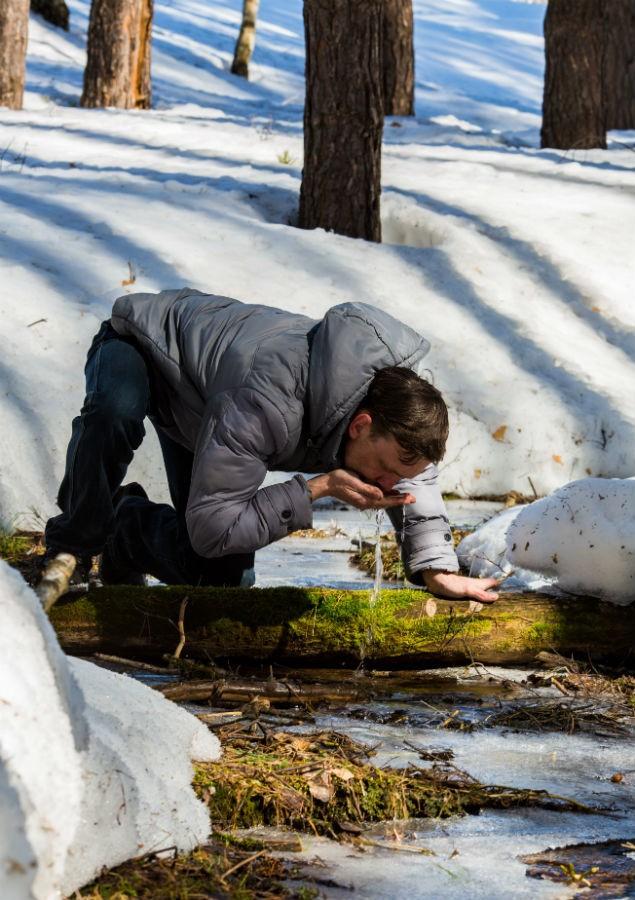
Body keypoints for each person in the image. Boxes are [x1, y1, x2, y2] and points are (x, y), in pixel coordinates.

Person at [42, 289, 498, 602]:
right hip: (143, 343)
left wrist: (437, 571)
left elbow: (416, 479)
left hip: (211, 405)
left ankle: (126, 530)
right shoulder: (268, 401)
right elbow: (215, 525)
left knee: (220, 581)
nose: (387, 484)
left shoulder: (400, 414)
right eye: (384, 469)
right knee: (114, 413)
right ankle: (76, 543)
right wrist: (315, 489)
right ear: (360, 426)